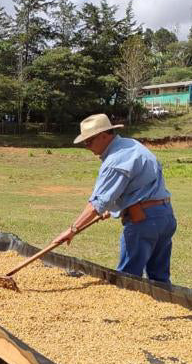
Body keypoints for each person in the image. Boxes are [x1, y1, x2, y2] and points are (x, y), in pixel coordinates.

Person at [53, 113, 176, 282]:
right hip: (164, 216)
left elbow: (98, 203)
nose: (87, 146)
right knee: (160, 278)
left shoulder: (115, 161)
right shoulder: (132, 145)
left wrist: (72, 230)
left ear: (104, 136)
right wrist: (115, 209)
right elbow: (139, 186)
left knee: (127, 280)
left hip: (144, 222)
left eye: (89, 141)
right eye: (85, 143)